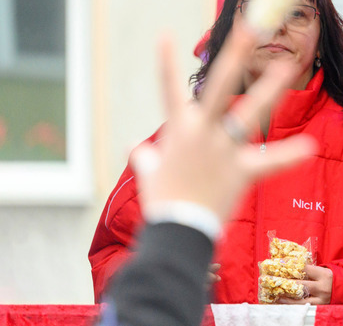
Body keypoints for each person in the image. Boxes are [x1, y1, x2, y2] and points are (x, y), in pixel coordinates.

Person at [91, 0, 343, 305]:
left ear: (323, 40)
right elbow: (109, 258)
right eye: (262, 11)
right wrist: (168, 274)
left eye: (298, 14)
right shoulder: (182, 145)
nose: (277, 27)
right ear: (231, 31)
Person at [100, 28, 317, 326]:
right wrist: (180, 269)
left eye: (298, 14)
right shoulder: (175, 151)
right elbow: (107, 258)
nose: (276, 35)